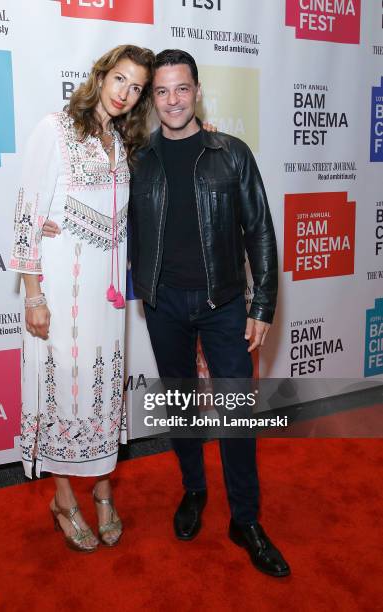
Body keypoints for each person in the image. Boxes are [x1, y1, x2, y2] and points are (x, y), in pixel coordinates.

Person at [128, 49, 290, 577]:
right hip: (163, 302)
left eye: (181, 88)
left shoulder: (232, 153)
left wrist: (262, 303)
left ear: (197, 90)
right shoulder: (138, 159)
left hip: (224, 303)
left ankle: (245, 519)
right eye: (161, 91)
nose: (172, 100)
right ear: (152, 100)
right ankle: (194, 490)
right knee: (181, 408)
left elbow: (260, 230)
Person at [9, 45, 154, 552]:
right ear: (100, 76)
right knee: (64, 391)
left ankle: (104, 489)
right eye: (119, 80)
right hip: (62, 295)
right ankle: (64, 499)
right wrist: (34, 297)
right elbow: (28, 213)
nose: (125, 94)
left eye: (136, 88)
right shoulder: (55, 129)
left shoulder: (120, 141)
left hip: (107, 299)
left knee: (100, 391)